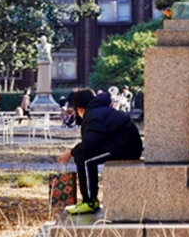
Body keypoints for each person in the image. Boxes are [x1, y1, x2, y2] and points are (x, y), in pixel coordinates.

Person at [57, 87, 143, 215]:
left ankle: (89, 201)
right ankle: (91, 199)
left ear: (80, 108)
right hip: (125, 145)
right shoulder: (99, 110)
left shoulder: (93, 115)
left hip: (125, 148)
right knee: (84, 156)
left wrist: (70, 153)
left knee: (84, 159)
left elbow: (90, 143)